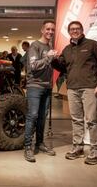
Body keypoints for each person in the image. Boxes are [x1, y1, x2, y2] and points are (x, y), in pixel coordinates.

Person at [52, 21, 97, 165]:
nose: (75, 31)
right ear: (69, 32)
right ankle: (78, 148)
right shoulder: (66, 49)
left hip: (90, 88)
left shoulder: (92, 45)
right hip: (72, 88)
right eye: (72, 29)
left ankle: (96, 151)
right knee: (76, 120)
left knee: (91, 120)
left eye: (77, 28)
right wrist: (52, 60)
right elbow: (63, 68)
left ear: (82, 30)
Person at [24, 20, 57, 162]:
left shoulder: (49, 45)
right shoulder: (35, 46)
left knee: (42, 117)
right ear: (42, 30)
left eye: (52, 30)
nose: (50, 32)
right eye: (48, 29)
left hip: (47, 87)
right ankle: (27, 147)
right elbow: (33, 66)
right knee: (32, 115)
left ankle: (39, 143)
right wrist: (49, 57)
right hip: (35, 87)